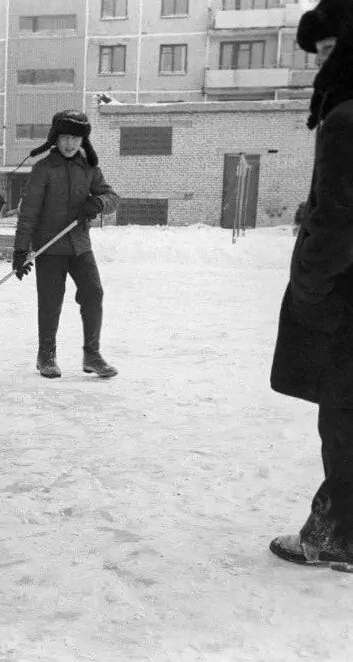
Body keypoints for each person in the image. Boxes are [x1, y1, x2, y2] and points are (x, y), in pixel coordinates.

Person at [269, 0, 353, 569]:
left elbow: (338, 221)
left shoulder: (346, 117)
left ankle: (335, 535)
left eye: (328, 51)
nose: (322, 66)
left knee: (344, 413)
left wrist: (308, 284)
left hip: (347, 295)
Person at [12, 110, 120, 379]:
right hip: (50, 247)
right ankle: (46, 354)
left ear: (83, 140)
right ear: (55, 139)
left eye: (75, 138)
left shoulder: (90, 169)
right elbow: (29, 213)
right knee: (50, 302)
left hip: (80, 245)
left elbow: (112, 196)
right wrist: (20, 249)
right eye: (65, 138)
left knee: (93, 294)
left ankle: (92, 355)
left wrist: (98, 203)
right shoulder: (43, 169)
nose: (70, 144)